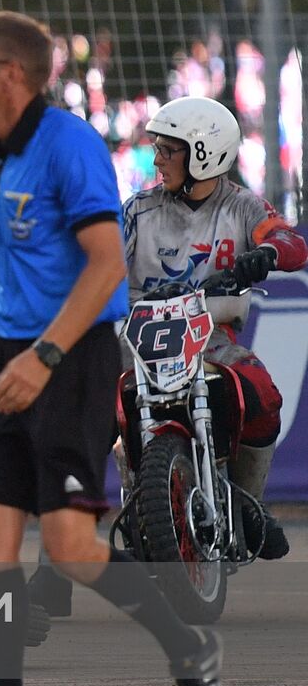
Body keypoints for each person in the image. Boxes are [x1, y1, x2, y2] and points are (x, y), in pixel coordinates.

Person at [0, 11, 224, 686]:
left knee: (68, 547)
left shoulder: (69, 146)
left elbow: (105, 264)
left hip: (71, 358)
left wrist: (45, 357)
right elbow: (1, 254)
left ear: (10, 75)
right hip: (10, 355)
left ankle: (188, 647)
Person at [125, 95, 305, 556]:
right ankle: (61, 546)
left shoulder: (243, 206)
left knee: (262, 393)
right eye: (158, 148)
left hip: (208, 339)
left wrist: (266, 254)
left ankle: (248, 505)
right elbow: (98, 262)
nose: (157, 159)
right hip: (134, 340)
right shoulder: (136, 210)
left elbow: (290, 242)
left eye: (169, 150)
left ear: (203, 153)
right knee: (86, 412)